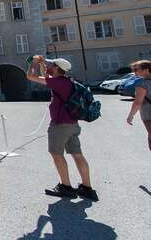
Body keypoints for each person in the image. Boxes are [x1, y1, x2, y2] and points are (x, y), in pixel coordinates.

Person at [26, 56, 99, 201]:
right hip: (72, 124)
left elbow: (31, 76)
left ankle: (65, 187)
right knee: (77, 154)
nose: (48, 66)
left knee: (57, 154)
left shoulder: (58, 82)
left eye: (50, 64)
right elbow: (46, 77)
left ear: (57, 68)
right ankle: (87, 188)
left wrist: (32, 63)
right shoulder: (66, 81)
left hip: (60, 125)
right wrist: (42, 64)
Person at [126, 60, 151, 151]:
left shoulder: (142, 83)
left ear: (146, 70)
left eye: (136, 69)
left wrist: (130, 116)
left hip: (148, 114)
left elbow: (137, 102)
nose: (134, 72)